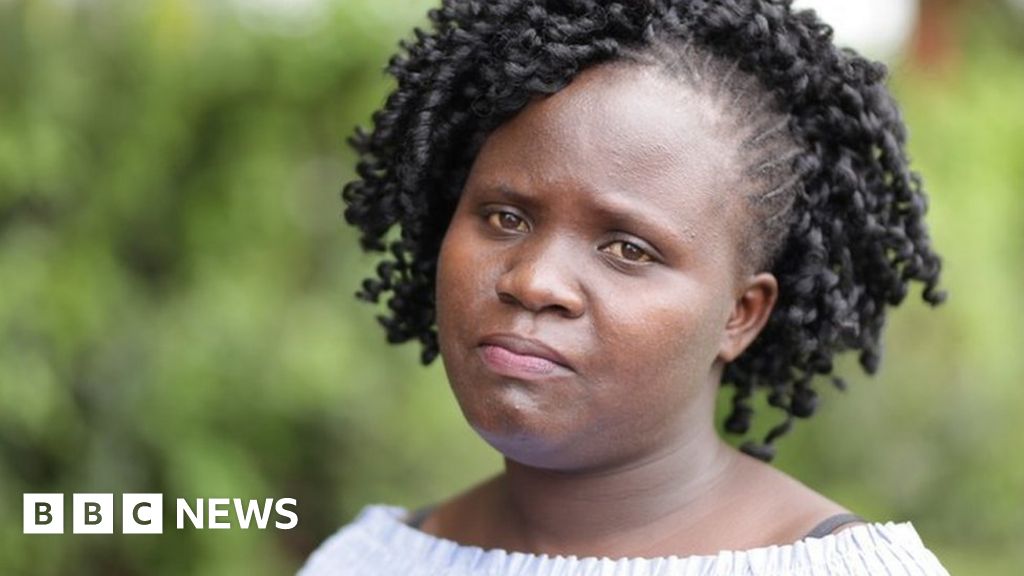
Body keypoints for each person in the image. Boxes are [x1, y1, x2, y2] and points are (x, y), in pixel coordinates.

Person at [300, 0, 950, 574]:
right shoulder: (363, 561)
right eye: (505, 218)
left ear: (741, 314)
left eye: (628, 250)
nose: (533, 282)